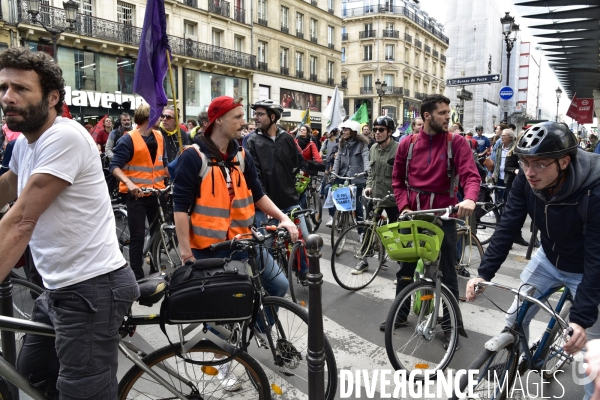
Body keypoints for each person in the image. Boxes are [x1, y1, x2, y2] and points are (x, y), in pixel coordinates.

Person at [0, 47, 138, 398]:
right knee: (31, 375)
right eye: (3, 88)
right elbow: (8, 186)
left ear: (52, 97)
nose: (7, 97)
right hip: (58, 287)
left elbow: (20, 221)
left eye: (20, 89)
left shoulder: (65, 136)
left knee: (82, 392)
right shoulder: (26, 145)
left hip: (92, 288)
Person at [465, 122, 600, 399]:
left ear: (564, 161)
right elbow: (507, 227)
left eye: (539, 164)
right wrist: (484, 273)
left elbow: (597, 258)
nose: (529, 172)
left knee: (593, 359)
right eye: (525, 162)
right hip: (549, 257)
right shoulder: (524, 182)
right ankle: (515, 354)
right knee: (514, 316)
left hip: (587, 268)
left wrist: (582, 320)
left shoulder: (594, 190)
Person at [172, 95, 297, 295]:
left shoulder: (242, 155)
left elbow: (258, 194)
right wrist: (186, 254)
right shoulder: (193, 157)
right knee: (220, 311)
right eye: (237, 117)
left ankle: (257, 328)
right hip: (209, 249)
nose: (244, 122)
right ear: (219, 120)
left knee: (279, 285)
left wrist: (283, 218)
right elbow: (180, 209)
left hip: (245, 240)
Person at [387, 94, 480, 345]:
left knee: (448, 274)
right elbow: (397, 181)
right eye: (442, 113)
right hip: (413, 216)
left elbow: (471, 176)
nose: (448, 116)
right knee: (405, 270)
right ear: (426, 116)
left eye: (448, 112)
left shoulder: (457, 142)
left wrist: (469, 199)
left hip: (445, 217)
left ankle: (451, 326)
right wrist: (404, 206)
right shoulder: (408, 143)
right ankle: (400, 314)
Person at [245, 99, 311, 283]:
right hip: (265, 205)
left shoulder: (287, 138)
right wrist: (265, 206)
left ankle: (303, 272)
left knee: (302, 238)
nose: (256, 117)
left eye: (260, 114)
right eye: (255, 114)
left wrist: (295, 185)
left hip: (290, 200)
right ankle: (270, 282)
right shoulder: (252, 141)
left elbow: (298, 163)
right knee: (264, 245)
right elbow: (254, 175)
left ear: (272, 117)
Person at [110, 103, 168, 280]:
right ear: (149, 117)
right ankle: (137, 277)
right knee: (138, 236)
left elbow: (163, 165)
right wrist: (129, 184)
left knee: (158, 233)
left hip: (156, 193)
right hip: (136, 195)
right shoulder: (128, 139)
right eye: (159, 115)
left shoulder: (159, 136)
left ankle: (155, 269)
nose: (162, 118)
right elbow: (114, 166)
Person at [362, 116, 400, 277]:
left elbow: (402, 175)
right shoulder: (372, 149)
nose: (377, 133)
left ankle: (401, 267)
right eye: (375, 129)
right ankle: (363, 259)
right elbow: (371, 172)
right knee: (369, 228)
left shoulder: (398, 149)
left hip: (393, 200)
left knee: (396, 233)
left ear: (389, 132)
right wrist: (368, 185)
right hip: (376, 198)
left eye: (381, 130)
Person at [324, 119, 370, 227]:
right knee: (328, 190)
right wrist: (334, 173)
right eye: (343, 130)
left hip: (357, 177)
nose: (343, 132)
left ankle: (361, 231)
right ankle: (332, 216)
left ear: (353, 131)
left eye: (346, 130)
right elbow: (337, 160)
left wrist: (367, 171)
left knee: (356, 203)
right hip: (342, 175)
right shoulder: (341, 143)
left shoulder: (362, 144)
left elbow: (365, 158)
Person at [491, 128, 516, 200]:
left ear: (510, 137)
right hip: (498, 177)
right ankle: (499, 211)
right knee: (498, 198)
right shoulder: (499, 146)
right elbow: (496, 161)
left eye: (504, 135)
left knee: (507, 199)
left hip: (509, 178)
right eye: (501, 135)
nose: (502, 137)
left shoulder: (514, 148)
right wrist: (494, 172)